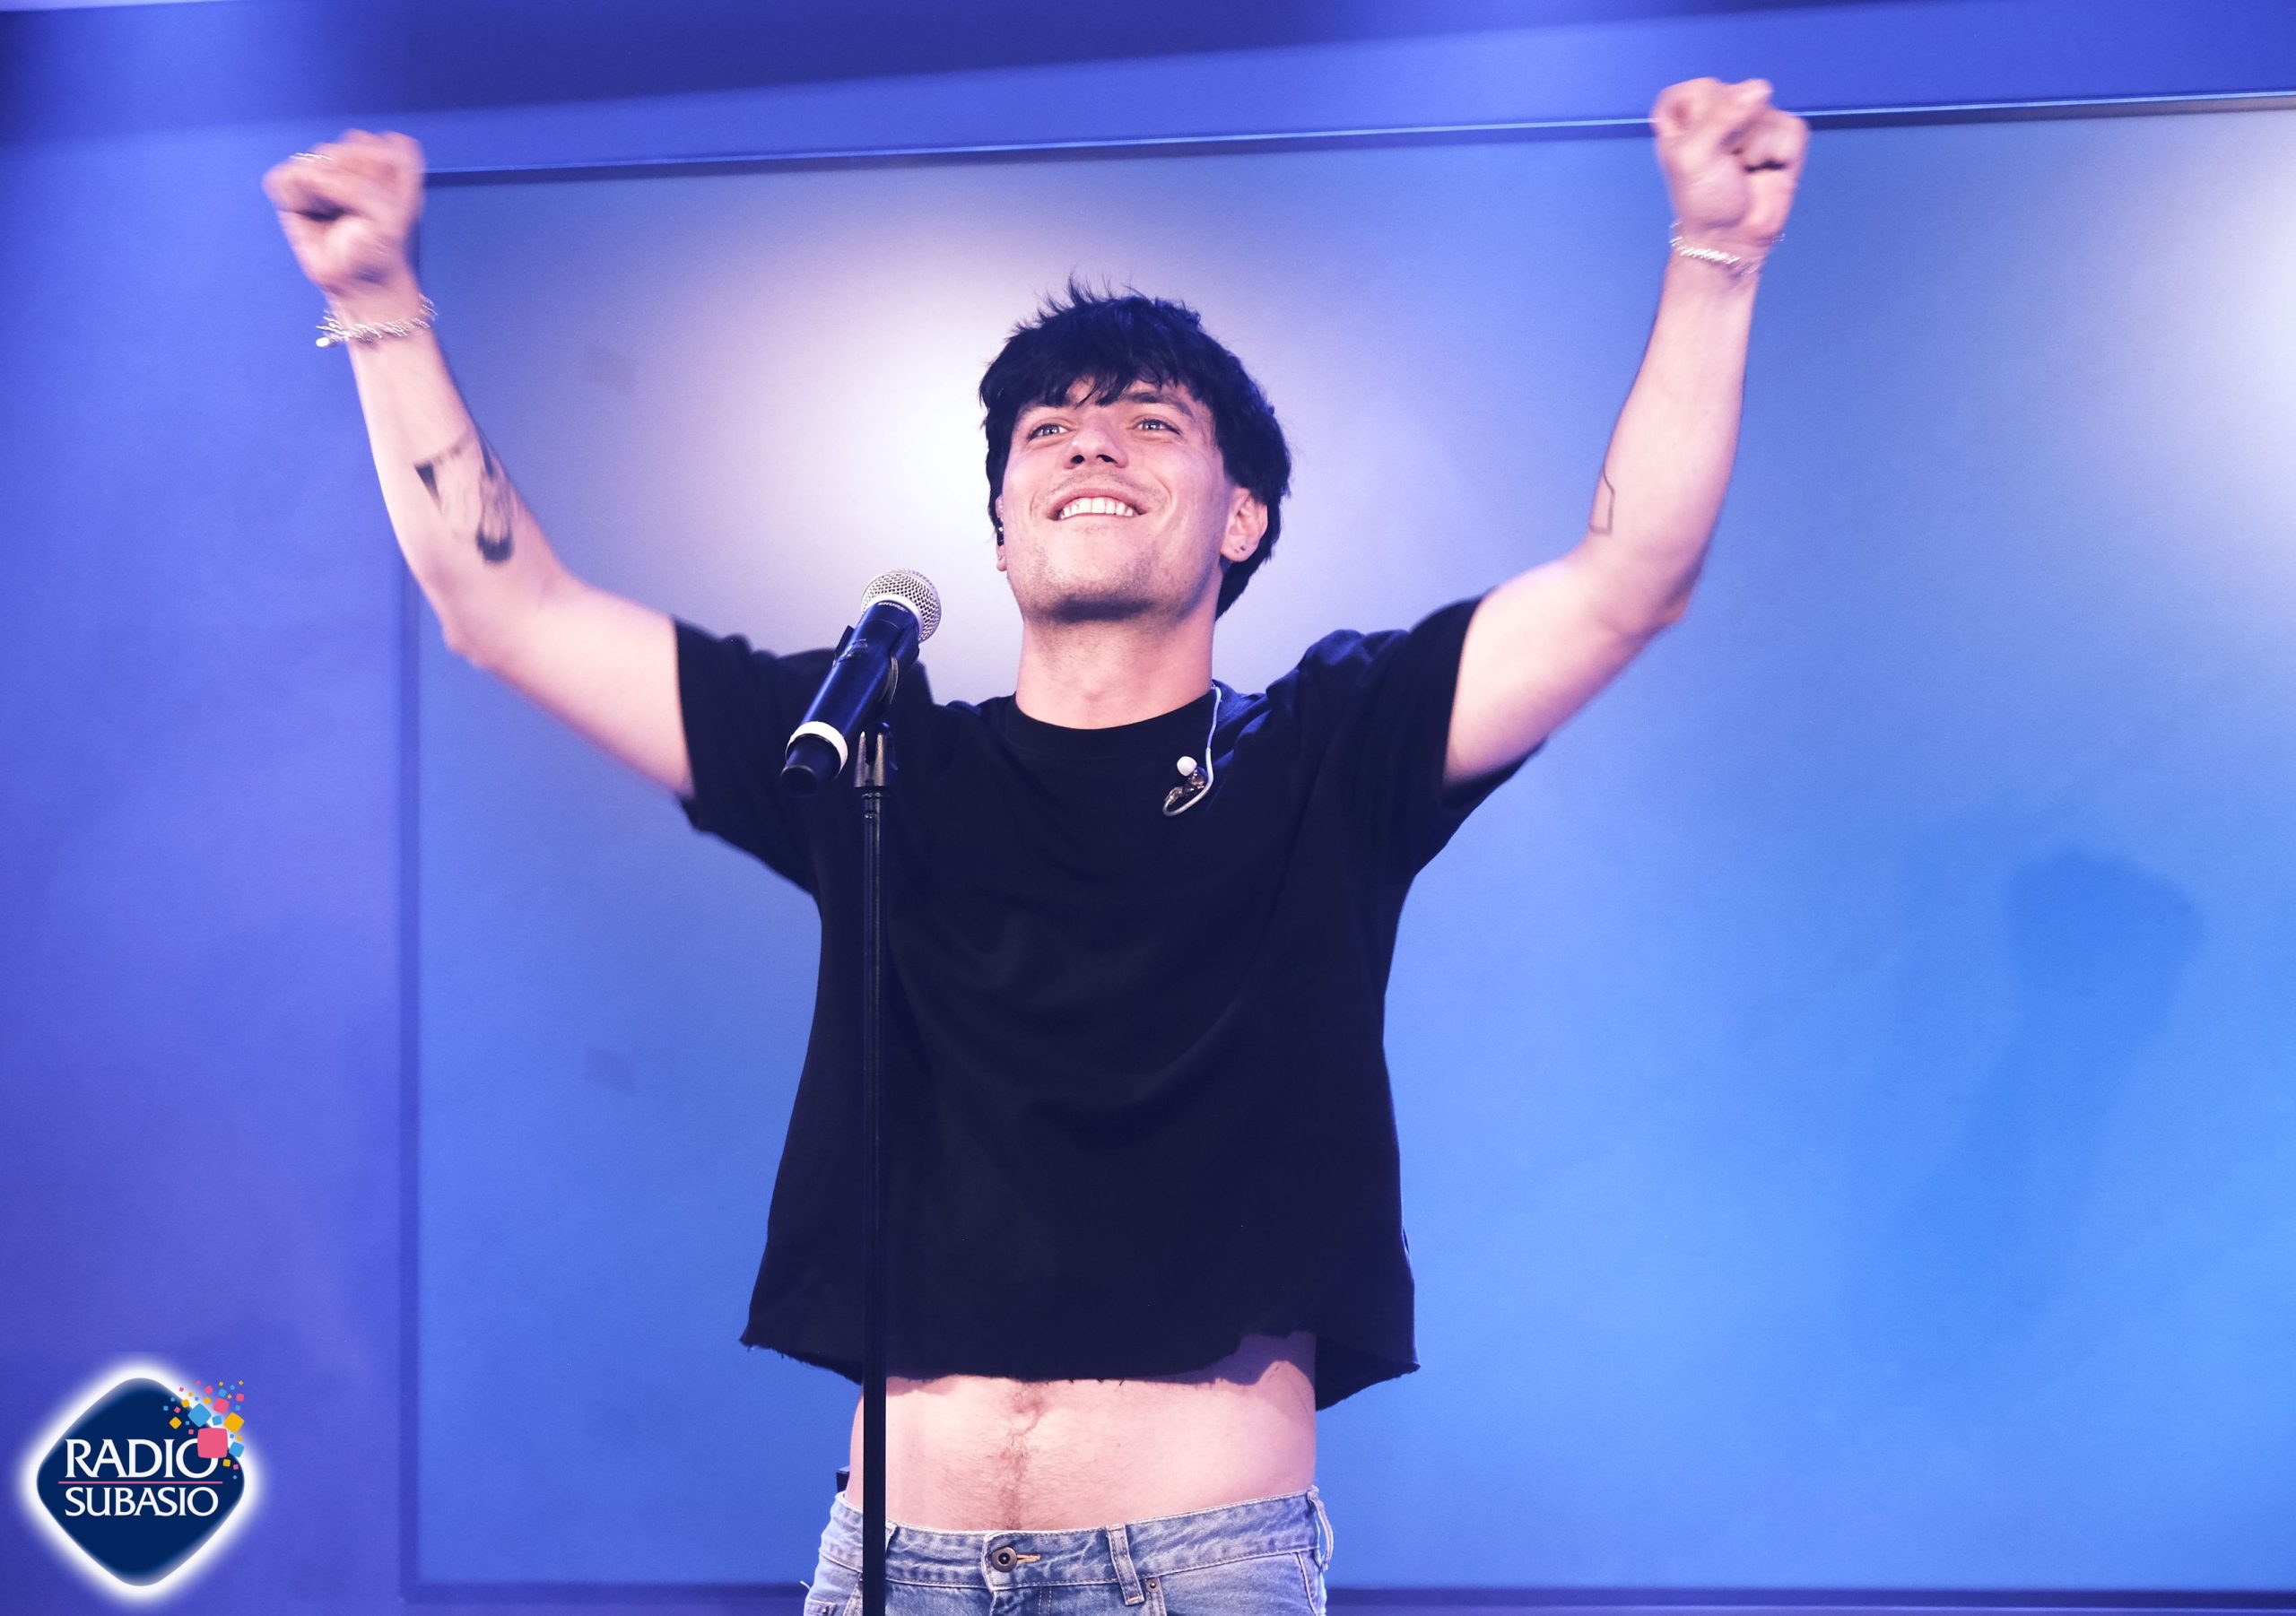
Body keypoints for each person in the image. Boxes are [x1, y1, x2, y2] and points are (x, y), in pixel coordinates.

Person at [265, 75, 1806, 1614]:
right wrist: (379, 305)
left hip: (1193, 1566)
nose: (1090, 447)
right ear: (1002, 531)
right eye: (1048, 431)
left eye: (1151, 423)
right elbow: (508, 607)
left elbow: (1629, 577)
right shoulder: (879, 751)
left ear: (1243, 518)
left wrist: (1715, 257)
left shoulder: (1333, 749)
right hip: (892, 1563)